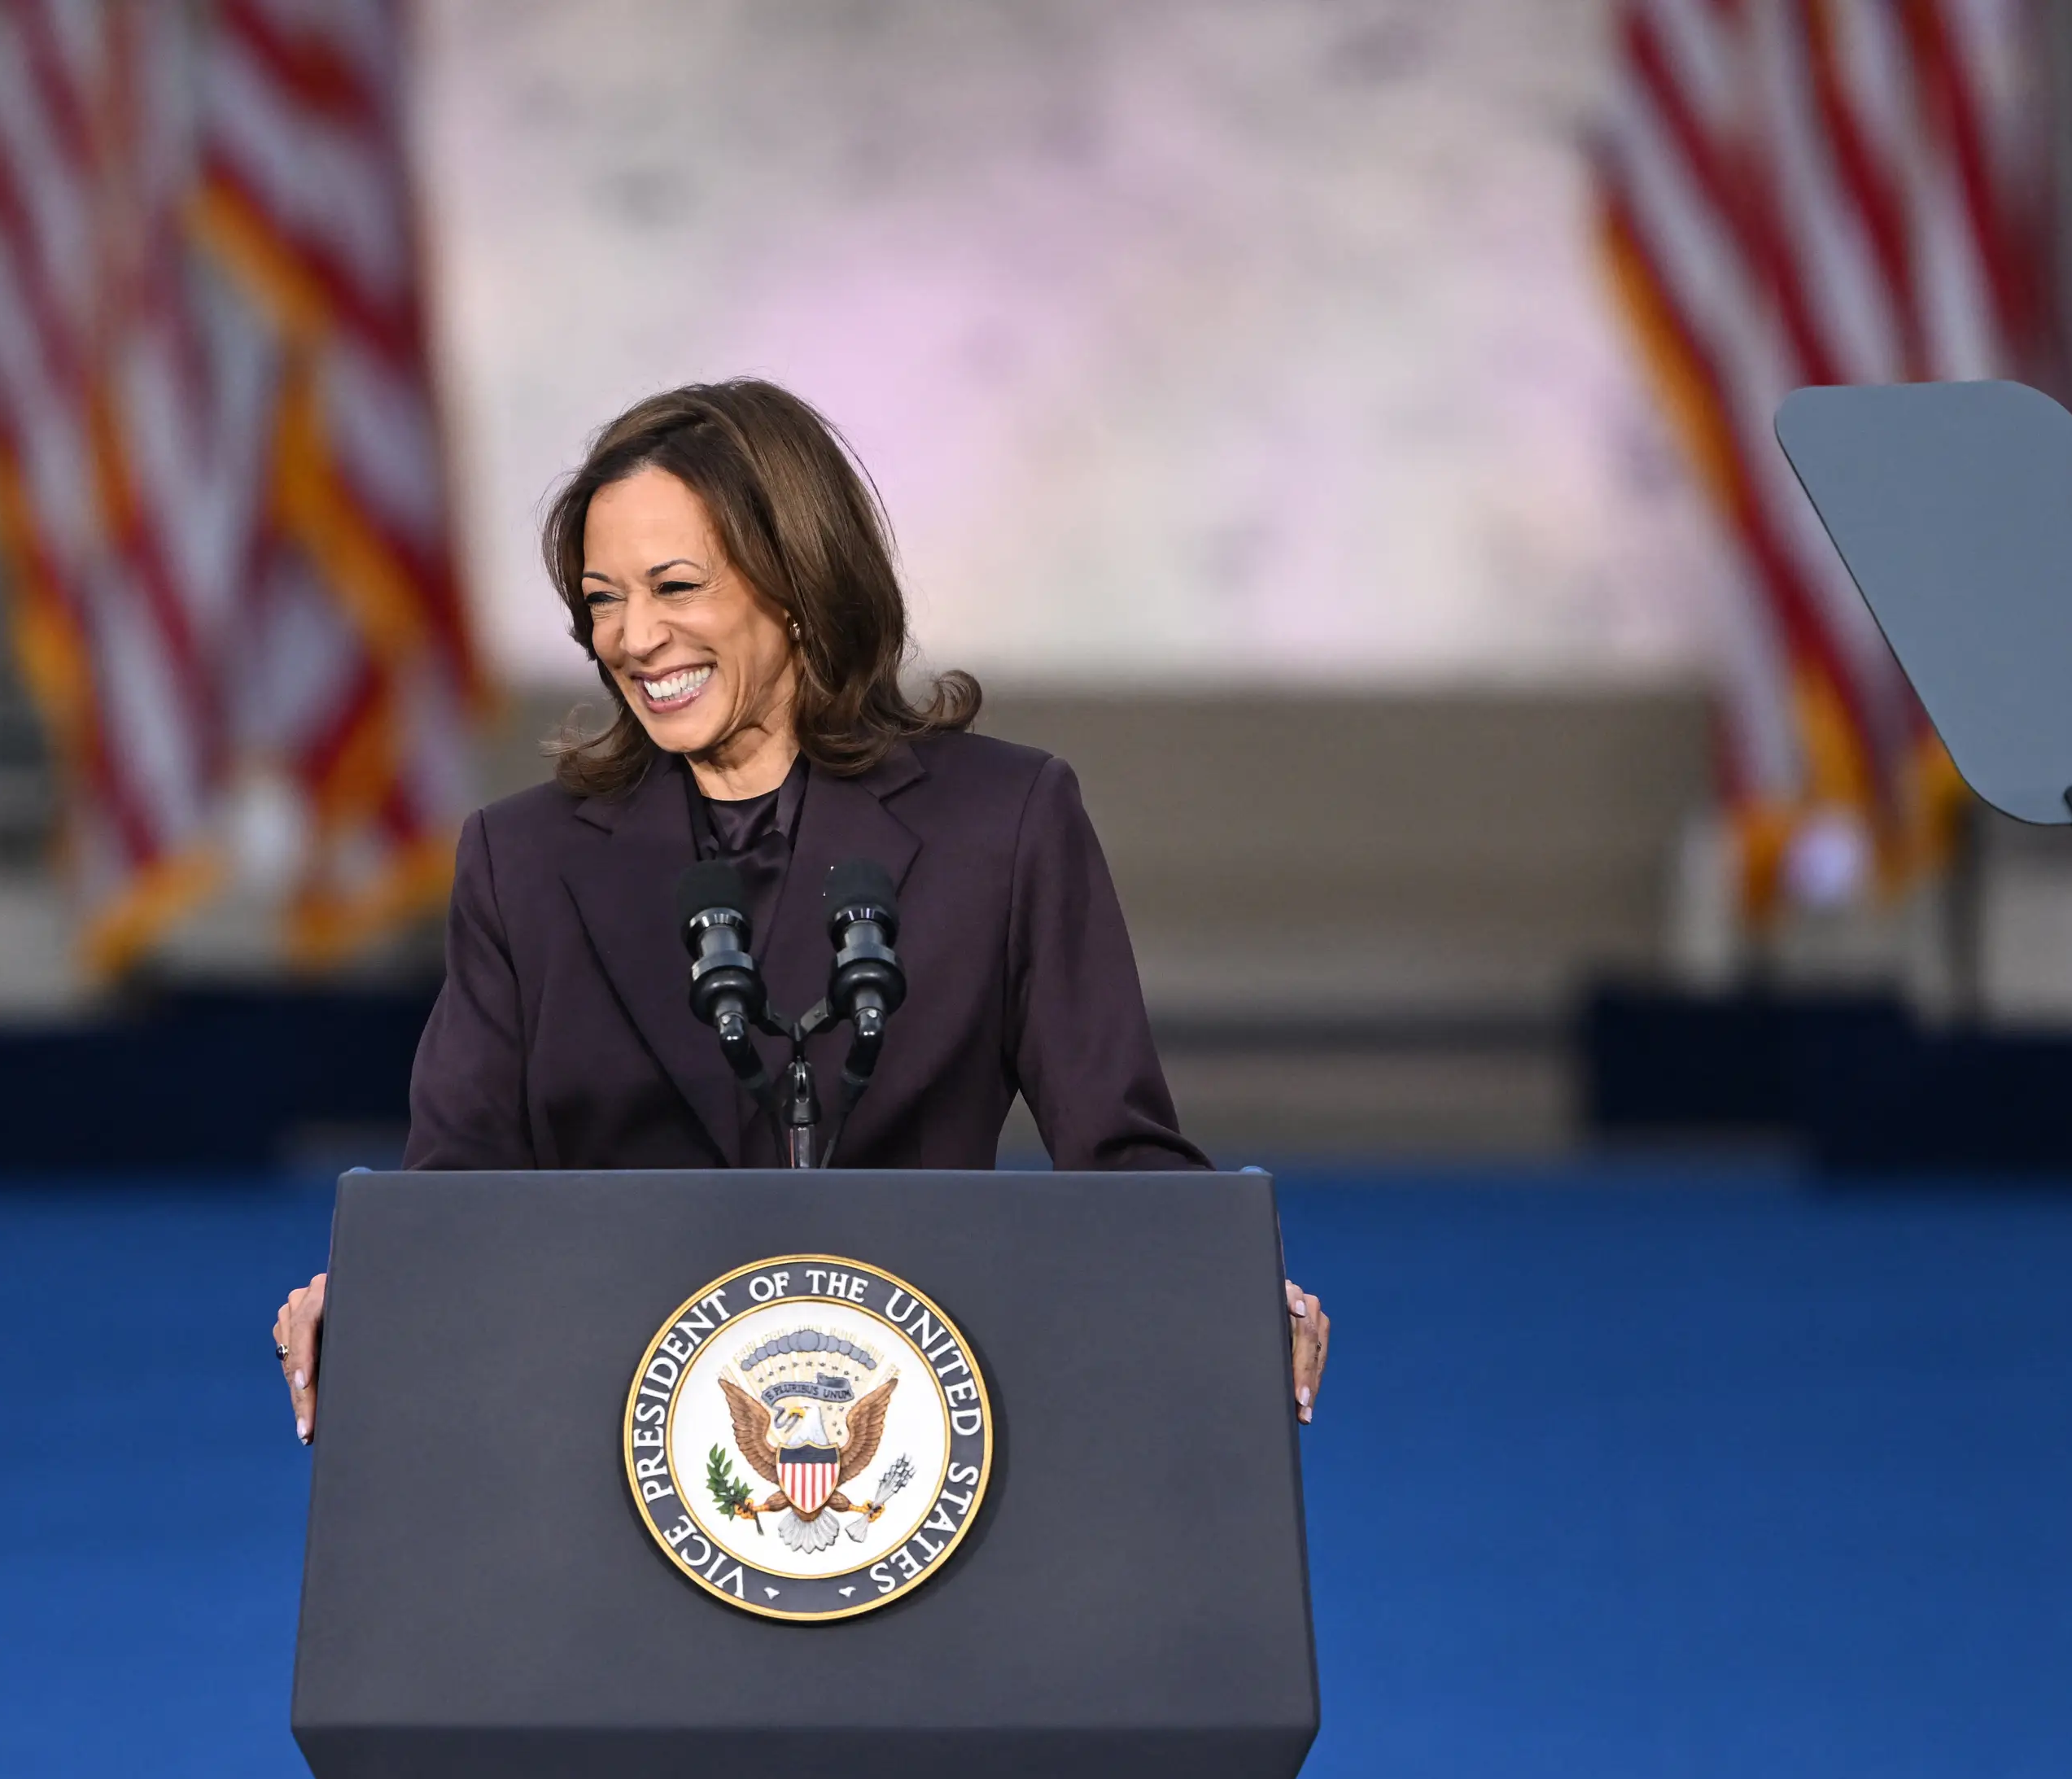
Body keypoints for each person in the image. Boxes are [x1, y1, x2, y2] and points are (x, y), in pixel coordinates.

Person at [272, 380, 1327, 1435]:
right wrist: (372, 1286)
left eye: (674, 587)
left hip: (912, 1435)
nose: (633, 638)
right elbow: (455, 1187)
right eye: (602, 599)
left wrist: (1221, 1281)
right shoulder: (526, 860)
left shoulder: (1002, 825)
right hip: (601, 1431)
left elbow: (1122, 1154)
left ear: (797, 583)